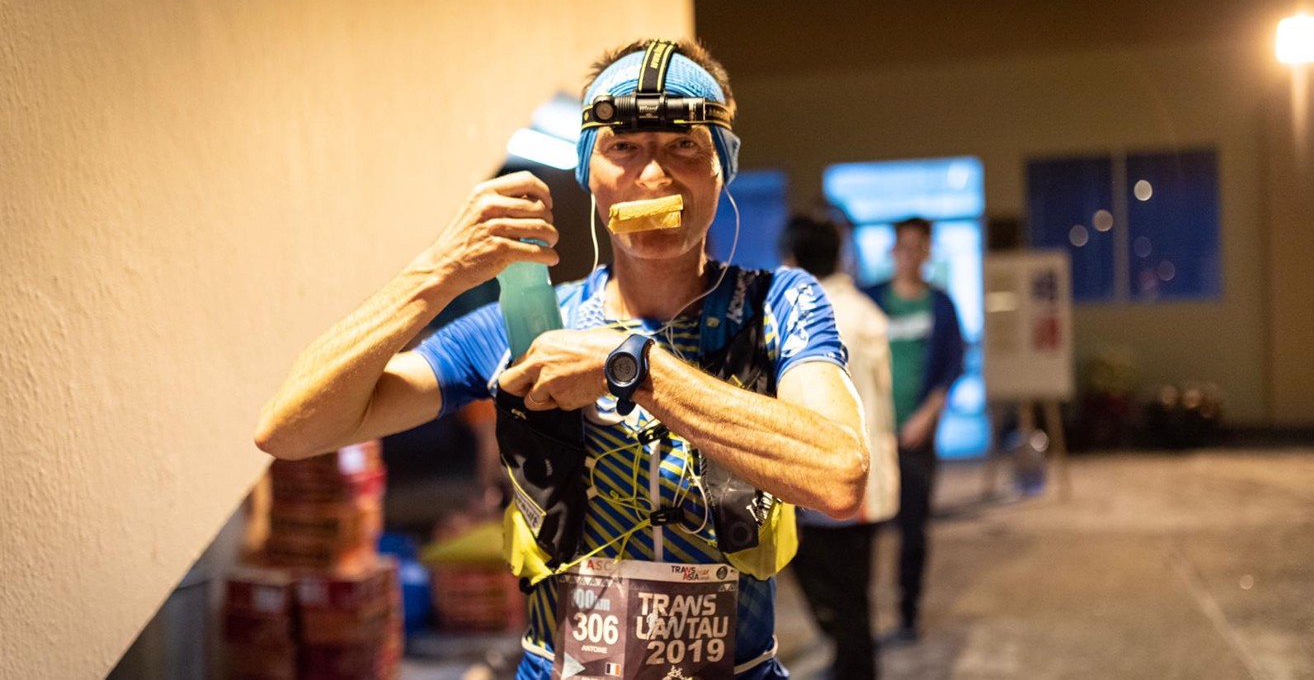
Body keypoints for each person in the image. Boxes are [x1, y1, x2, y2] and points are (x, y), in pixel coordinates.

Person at [256, 38, 869, 680]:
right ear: (587, 170)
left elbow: (838, 476)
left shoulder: (777, 306)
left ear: (724, 167)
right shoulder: (527, 325)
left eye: (684, 145)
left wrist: (637, 367)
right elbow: (291, 430)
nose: (653, 176)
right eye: (622, 147)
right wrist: (437, 272)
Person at [779, 215, 898, 680]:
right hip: (871, 474)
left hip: (827, 477)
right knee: (853, 590)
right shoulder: (866, 310)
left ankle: (855, 668)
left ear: (794, 259)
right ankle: (854, 663)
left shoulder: (809, 314)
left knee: (832, 588)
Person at [863, 217, 964, 644]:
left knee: (913, 533)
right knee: (861, 533)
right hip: (872, 439)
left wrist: (929, 414)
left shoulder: (940, 304)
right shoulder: (869, 301)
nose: (909, 254)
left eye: (918, 247)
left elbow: (952, 366)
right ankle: (858, 622)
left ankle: (908, 614)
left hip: (916, 440)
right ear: (892, 251)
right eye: (902, 246)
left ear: (927, 251)